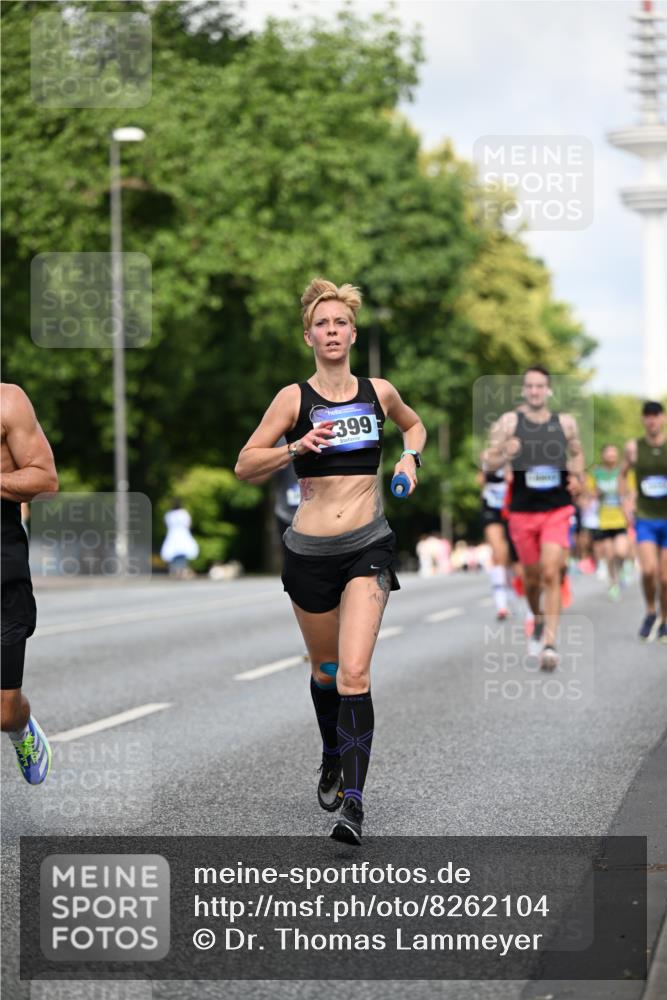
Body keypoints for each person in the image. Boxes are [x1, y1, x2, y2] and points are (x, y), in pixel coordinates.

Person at [235, 278, 426, 844]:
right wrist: (295, 447)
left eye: (341, 322)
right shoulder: (293, 399)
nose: (333, 331)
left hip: (368, 543)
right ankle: (330, 753)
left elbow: (413, 425)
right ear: (309, 337)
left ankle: (355, 804)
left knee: (355, 672)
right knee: (324, 671)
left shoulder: (379, 391)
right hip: (309, 552)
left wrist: (409, 459)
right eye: (323, 324)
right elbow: (246, 464)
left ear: (353, 332)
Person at [484, 366, 584, 670]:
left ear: (549, 390)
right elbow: (488, 462)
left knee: (552, 572)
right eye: (530, 386)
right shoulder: (509, 422)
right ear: (523, 390)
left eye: (541, 386)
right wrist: (505, 451)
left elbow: (577, 453)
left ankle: (550, 642)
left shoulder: (565, 423)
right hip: (522, 511)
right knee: (531, 578)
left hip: (557, 508)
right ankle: (537, 616)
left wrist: (578, 477)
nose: (535, 391)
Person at [1, 383, 58, 783]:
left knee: (3, 713)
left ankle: (21, 727)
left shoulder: (8, 400)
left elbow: (44, 479)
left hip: (2, 569)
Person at [621, 401, 667, 642]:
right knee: (649, 571)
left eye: (655, 415)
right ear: (643, 420)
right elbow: (622, 474)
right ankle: (650, 611)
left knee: (666, 577)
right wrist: (625, 502)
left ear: (663, 418)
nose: (651, 420)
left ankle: (665, 620)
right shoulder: (634, 448)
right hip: (646, 519)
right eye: (647, 416)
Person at [588, 444, 629, 600]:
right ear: (603, 456)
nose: (612, 457)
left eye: (614, 454)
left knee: (621, 552)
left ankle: (622, 569)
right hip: (603, 519)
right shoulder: (596, 473)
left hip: (620, 519)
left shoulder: (622, 472)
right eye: (609, 454)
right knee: (609, 555)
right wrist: (594, 493)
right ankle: (613, 583)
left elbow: (629, 492)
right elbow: (590, 493)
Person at [478, 463, 513, 620]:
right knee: (498, 554)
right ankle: (501, 604)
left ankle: (512, 590)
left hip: (513, 507)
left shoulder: (517, 452)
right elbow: (479, 479)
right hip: (492, 508)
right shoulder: (488, 455)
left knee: (510, 556)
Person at [160, 499, 199, 579]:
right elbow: (188, 524)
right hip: (183, 535)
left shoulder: (169, 514)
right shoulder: (184, 513)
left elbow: (166, 524)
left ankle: (175, 571)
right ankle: (182, 571)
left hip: (172, 535)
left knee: (173, 555)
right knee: (182, 555)